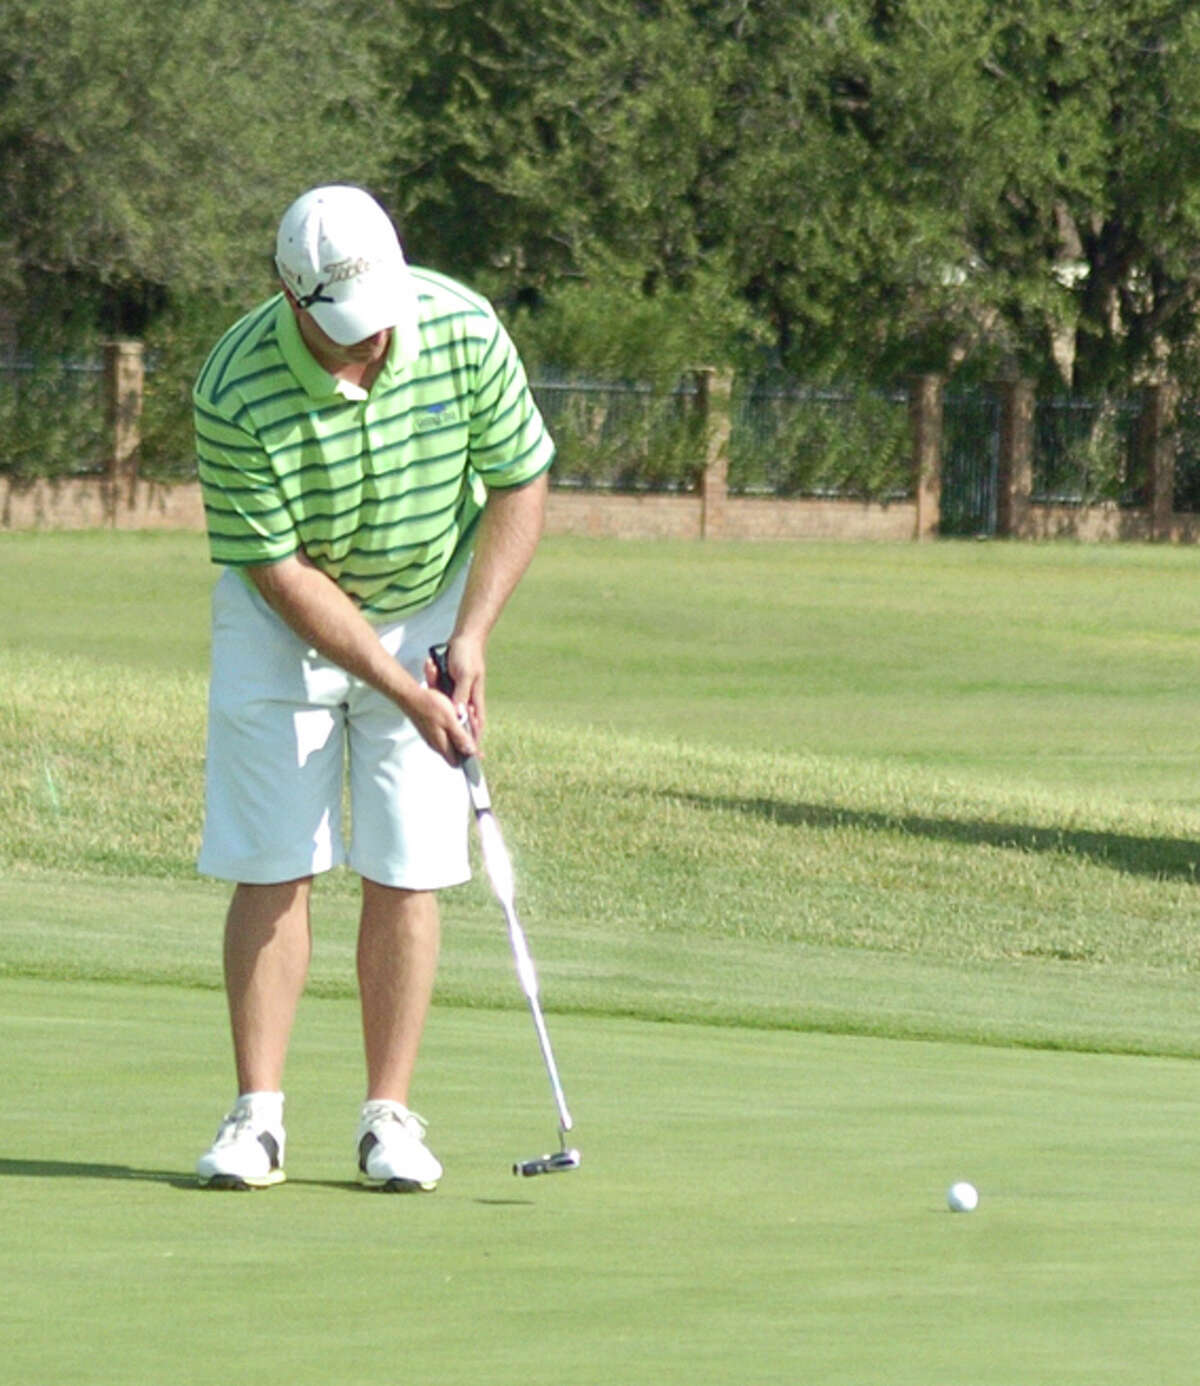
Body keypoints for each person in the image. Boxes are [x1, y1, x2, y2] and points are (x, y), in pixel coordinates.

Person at [191, 184, 554, 1191]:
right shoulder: (232, 390)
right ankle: (256, 1119)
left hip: (431, 597)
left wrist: (471, 633)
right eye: (347, 333)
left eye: (378, 322)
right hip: (286, 617)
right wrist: (400, 687)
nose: (372, 347)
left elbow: (521, 480)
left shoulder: (461, 329)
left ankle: (388, 1118)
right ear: (289, 298)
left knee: (409, 858)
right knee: (275, 859)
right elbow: (280, 575)